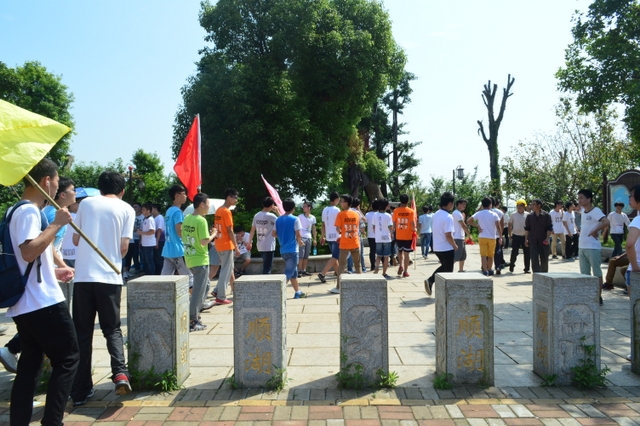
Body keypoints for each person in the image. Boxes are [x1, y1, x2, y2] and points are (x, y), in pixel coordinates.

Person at [6, 158, 79, 424]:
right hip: (41, 302)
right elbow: (28, 251)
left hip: (27, 302)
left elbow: (27, 258)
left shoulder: (16, 210)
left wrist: (53, 271)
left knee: (30, 366)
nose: (57, 187)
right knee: (68, 359)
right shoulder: (28, 211)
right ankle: (52, 421)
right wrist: (57, 223)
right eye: (57, 181)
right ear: (46, 181)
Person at [70, 170, 135, 405]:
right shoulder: (127, 209)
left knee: (82, 333)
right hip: (109, 277)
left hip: (83, 277)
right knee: (112, 329)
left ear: (99, 188)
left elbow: (76, 239)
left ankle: (80, 391)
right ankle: (120, 373)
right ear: (122, 190)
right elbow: (124, 248)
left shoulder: (86, 204)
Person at [182, 193, 218, 331]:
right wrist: (214, 233)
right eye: (208, 204)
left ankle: (198, 306)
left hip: (190, 258)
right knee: (198, 290)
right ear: (202, 205)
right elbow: (204, 241)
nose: (209, 207)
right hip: (200, 259)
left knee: (206, 285)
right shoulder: (201, 220)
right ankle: (193, 319)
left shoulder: (187, 218)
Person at [577, 189, 609, 305]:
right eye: (578, 198)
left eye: (581, 198)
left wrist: (595, 230)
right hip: (582, 246)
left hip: (593, 247)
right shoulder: (583, 211)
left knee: (596, 273)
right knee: (584, 274)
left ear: (589, 199)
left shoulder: (596, 211)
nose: (579, 200)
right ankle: (587, 296)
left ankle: (598, 297)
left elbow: (606, 222)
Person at [161, 185, 194, 290]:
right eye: (183, 194)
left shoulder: (169, 210)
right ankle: (197, 299)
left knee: (164, 279)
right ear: (177, 195)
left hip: (168, 250)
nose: (185, 196)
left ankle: (163, 297)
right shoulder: (178, 212)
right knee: (189, 278)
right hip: (178, 250)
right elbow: (180, 232)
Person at [425, 192, 457, 294]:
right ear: (450, 203)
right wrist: (454, 245)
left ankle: (432, 282)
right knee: (448, 271)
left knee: (444, 267)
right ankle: (431, 281)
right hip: (446, 247)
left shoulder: (436, 214)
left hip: (437, 247)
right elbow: (448, 235)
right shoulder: (448, 217)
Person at [273, 198, 306, 299]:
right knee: (288, 273)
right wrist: (300, 241)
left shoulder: (278, 220)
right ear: (293, 208)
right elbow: (298, 234)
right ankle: (277, 293)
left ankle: (298, 292)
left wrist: (282, 237)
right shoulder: (295, 219)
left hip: (283, 251)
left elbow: (273, 233)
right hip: (293, 250)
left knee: (293, 272)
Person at [213, 188, 239, 305]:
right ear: (229, 197)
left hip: (218, 243)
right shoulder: (227, 212)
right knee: (226, 271)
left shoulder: (218, 210)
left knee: (227, 268)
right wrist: (236, 246)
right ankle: (221, 296)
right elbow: (230, 230)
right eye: (235, 198)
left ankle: (216, 290)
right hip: (226, 244)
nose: (236, 200)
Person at [332, 194, 361, 293]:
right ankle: (360, 285)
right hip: (355, 241)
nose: (340, 203)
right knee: (357, 265)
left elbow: (338, 229)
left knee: (341, 265)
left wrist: (341, 233)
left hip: (344, 243)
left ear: (346, 203)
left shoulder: (340, 214)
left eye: (342, 201)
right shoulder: (356, 214)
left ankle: (339, 287)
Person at [467, 197, 501, 276]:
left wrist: (477, 226)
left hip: (482, 236)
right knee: (491, 255)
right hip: (492, 237)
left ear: (482, 205)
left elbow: (469, 221)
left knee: (483, 255)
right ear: (490, 204)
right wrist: (500, 237)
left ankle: (485, 270)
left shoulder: (479, 213)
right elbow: (498, 226)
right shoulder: (494, 214)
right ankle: (489, 269)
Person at [248, 197, 279, 274]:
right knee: (267, 268)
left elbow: (252, 230)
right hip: (269, 245)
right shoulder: (272, 216)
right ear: (271, 206)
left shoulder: (257, 215)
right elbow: (282, 221)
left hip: (260, 245)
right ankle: (265, 280)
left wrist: (250, 242)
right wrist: (278, 212)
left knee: (266, 265)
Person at [317, 192, 341, 284]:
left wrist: (322, 236)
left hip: (328, 236)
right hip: (336, 236)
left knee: (334, 257)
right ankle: (322, 273)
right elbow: (339, 224)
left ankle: (339, 274)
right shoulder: (337, 210)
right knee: (335, 257)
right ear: (336, 199)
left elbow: (323, 225)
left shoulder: (325, 209)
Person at [524, 199, 552, 273]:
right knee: (534, 259)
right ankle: (536, 275)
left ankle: (544, 275)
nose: (532, 206)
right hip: (533, 240)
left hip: (543, 241)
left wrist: (547, 238)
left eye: (533, 204)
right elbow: (527, 229)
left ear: (539, 205)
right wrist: (526, 239)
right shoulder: (529, 216)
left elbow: (549, 228)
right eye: (531, 204)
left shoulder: (547, 216)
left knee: (544, 259)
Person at [392, 194, 416, 278]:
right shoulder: (411, 211)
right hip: (408, 235)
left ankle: (400, 265)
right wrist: (414, 229)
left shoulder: (396, 211)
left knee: (399, 251)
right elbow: (412, 223)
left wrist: (393, 231)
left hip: (399, 235)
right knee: (406, 254)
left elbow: (394, 223)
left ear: (400, 201)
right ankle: (405, 271)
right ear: (408, 201)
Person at [508, 199, 530, 273]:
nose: (519, 207)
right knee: (514, 252)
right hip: (516, 236)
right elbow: (510, 225)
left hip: (525, 237)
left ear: (524, 206)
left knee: (527, 253)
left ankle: (527, 268)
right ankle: (512, 265)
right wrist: (510, 234)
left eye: (520, 206)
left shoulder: (528, 215)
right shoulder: (513, 215)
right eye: (518, 206)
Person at [626, 184, 640, 296]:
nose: (629, 198)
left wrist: (635, 266)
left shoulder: (637, 220)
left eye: (631, 195)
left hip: (637, 269)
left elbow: (630, 244)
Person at [373, 199, 393, 279]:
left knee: (378, 255)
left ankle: (376, 267)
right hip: (386, 238)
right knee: (386, 257)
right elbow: (390, 227)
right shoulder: (388, 216)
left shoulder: (375, 215)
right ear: (386, 206)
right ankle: (384, 273)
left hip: (378, 238)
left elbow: (374, 227)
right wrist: (392, 232)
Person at [297, 201, 317, 277]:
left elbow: (314, 229)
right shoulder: (300, 216)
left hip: (309, 237)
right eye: (303, 206)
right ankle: (299, 270)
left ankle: (304, 270)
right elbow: (297, 227)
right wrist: (298, 238)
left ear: (309, 207)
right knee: (301, 255)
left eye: (305, 206)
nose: (303, 208)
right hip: (302, 237)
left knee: (306, 255)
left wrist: (315, 239)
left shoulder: (313, 217)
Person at [137, 203, 156, 276]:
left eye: (143, 209)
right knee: (145, 260)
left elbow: (152, 231)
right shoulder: (145, 219)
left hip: (149, 243)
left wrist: (142, 232)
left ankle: (151, 275)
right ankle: (147, 274)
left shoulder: (150, 219)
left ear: (148, 210)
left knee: (149, 261)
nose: (142, 211)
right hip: (144, 243)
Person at [452, 199, 469, 272]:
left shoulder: (459, 213)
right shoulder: (457, 213)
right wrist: (469, 234)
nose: (464, 206)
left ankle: (461, 269)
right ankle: (446, 267)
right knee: (457, 256)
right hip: (457, 237)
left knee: (463, 255)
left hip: (460, 237)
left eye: (465, 204)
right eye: (463, 204)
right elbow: (463, 225)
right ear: (458, 204)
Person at [365, 200, 380, 270]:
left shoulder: (368, 214)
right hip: (379, 235)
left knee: (372, 251)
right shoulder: (380, 214)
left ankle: (372, 265)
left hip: (371, 235)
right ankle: (380, 264)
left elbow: (365, 222)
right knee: (380, 250)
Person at [152, 204, 165, 274]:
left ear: (155, 209)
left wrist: (157, 241)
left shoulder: (160, 217)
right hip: (156, 240)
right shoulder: (154, 218)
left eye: (151, 208)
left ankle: (160, 273)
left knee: (159, 258)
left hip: (160, 240)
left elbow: (159, 230)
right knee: (156, 258)